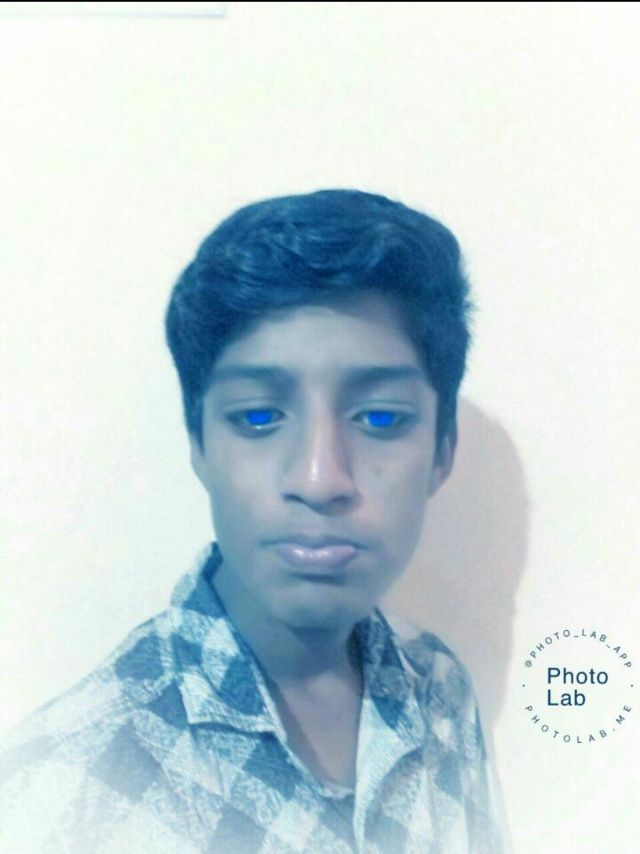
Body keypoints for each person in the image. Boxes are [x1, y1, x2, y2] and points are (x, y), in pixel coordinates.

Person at [0, 189, 502, 852]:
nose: (320, 479)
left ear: (442, 452)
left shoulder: (439, 692)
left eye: (381, 417)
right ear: (199, 445)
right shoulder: (61, 785)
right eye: (258, 417)